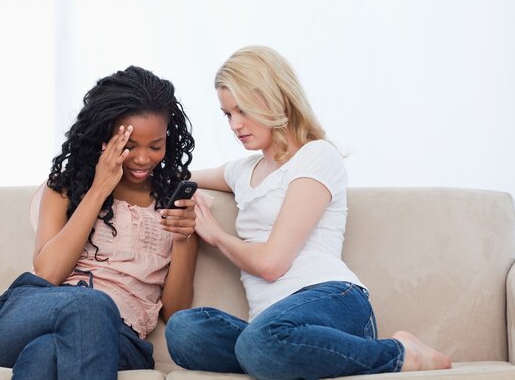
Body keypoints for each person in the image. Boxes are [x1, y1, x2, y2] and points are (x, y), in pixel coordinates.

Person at [164, 46, 451, 380]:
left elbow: (272, 264)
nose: (235, 125)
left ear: (273, 98)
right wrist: (127, 166)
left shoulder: (316, 156)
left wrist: (214, 234)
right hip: (275, 323)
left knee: (260, 341)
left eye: (242, 110)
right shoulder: (241, 171)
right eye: (228, 114)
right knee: (184, 330)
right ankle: (279, 353)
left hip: (333, 298)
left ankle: (399, 354)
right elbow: (179, 176)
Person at [0, 66, 199, 380]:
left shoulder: (175, 206)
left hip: (120, 338)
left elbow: (177, 313)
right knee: (92, 304)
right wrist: (100, 187)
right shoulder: (65, 187)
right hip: (34, 309)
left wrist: (182, 239)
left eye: (155, 146)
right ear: (104, 136)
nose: (143, 159)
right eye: (129, 146)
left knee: (45, 353)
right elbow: (48, 273)